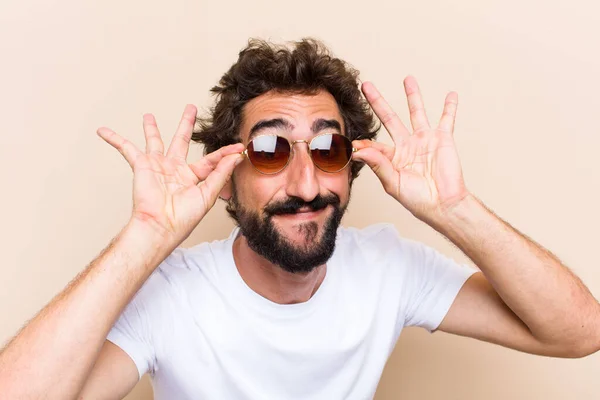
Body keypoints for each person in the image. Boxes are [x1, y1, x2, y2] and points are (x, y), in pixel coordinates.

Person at [0, 38, 599, 400]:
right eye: (269, 150)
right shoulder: (172, 295)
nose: (306, 184)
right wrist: (144, 239)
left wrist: (456, 211)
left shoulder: (390, 266)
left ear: (351, 167)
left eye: (327, 149)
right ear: (227, 178)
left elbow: (579, 333)